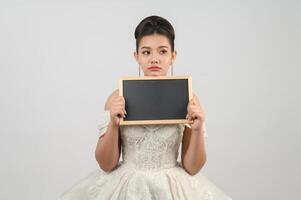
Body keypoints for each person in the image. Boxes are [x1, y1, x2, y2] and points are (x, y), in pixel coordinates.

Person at [59, 15, 232, 200]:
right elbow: (106, 164)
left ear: (173, 56)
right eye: (147, 52)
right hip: (127, 186)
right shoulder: (117, 98)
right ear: (137, 56)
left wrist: (197, 130)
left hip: (172, 186)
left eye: (163, 51)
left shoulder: (188, 98)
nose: (154, 59)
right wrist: (113, 124)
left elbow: (193, 167)